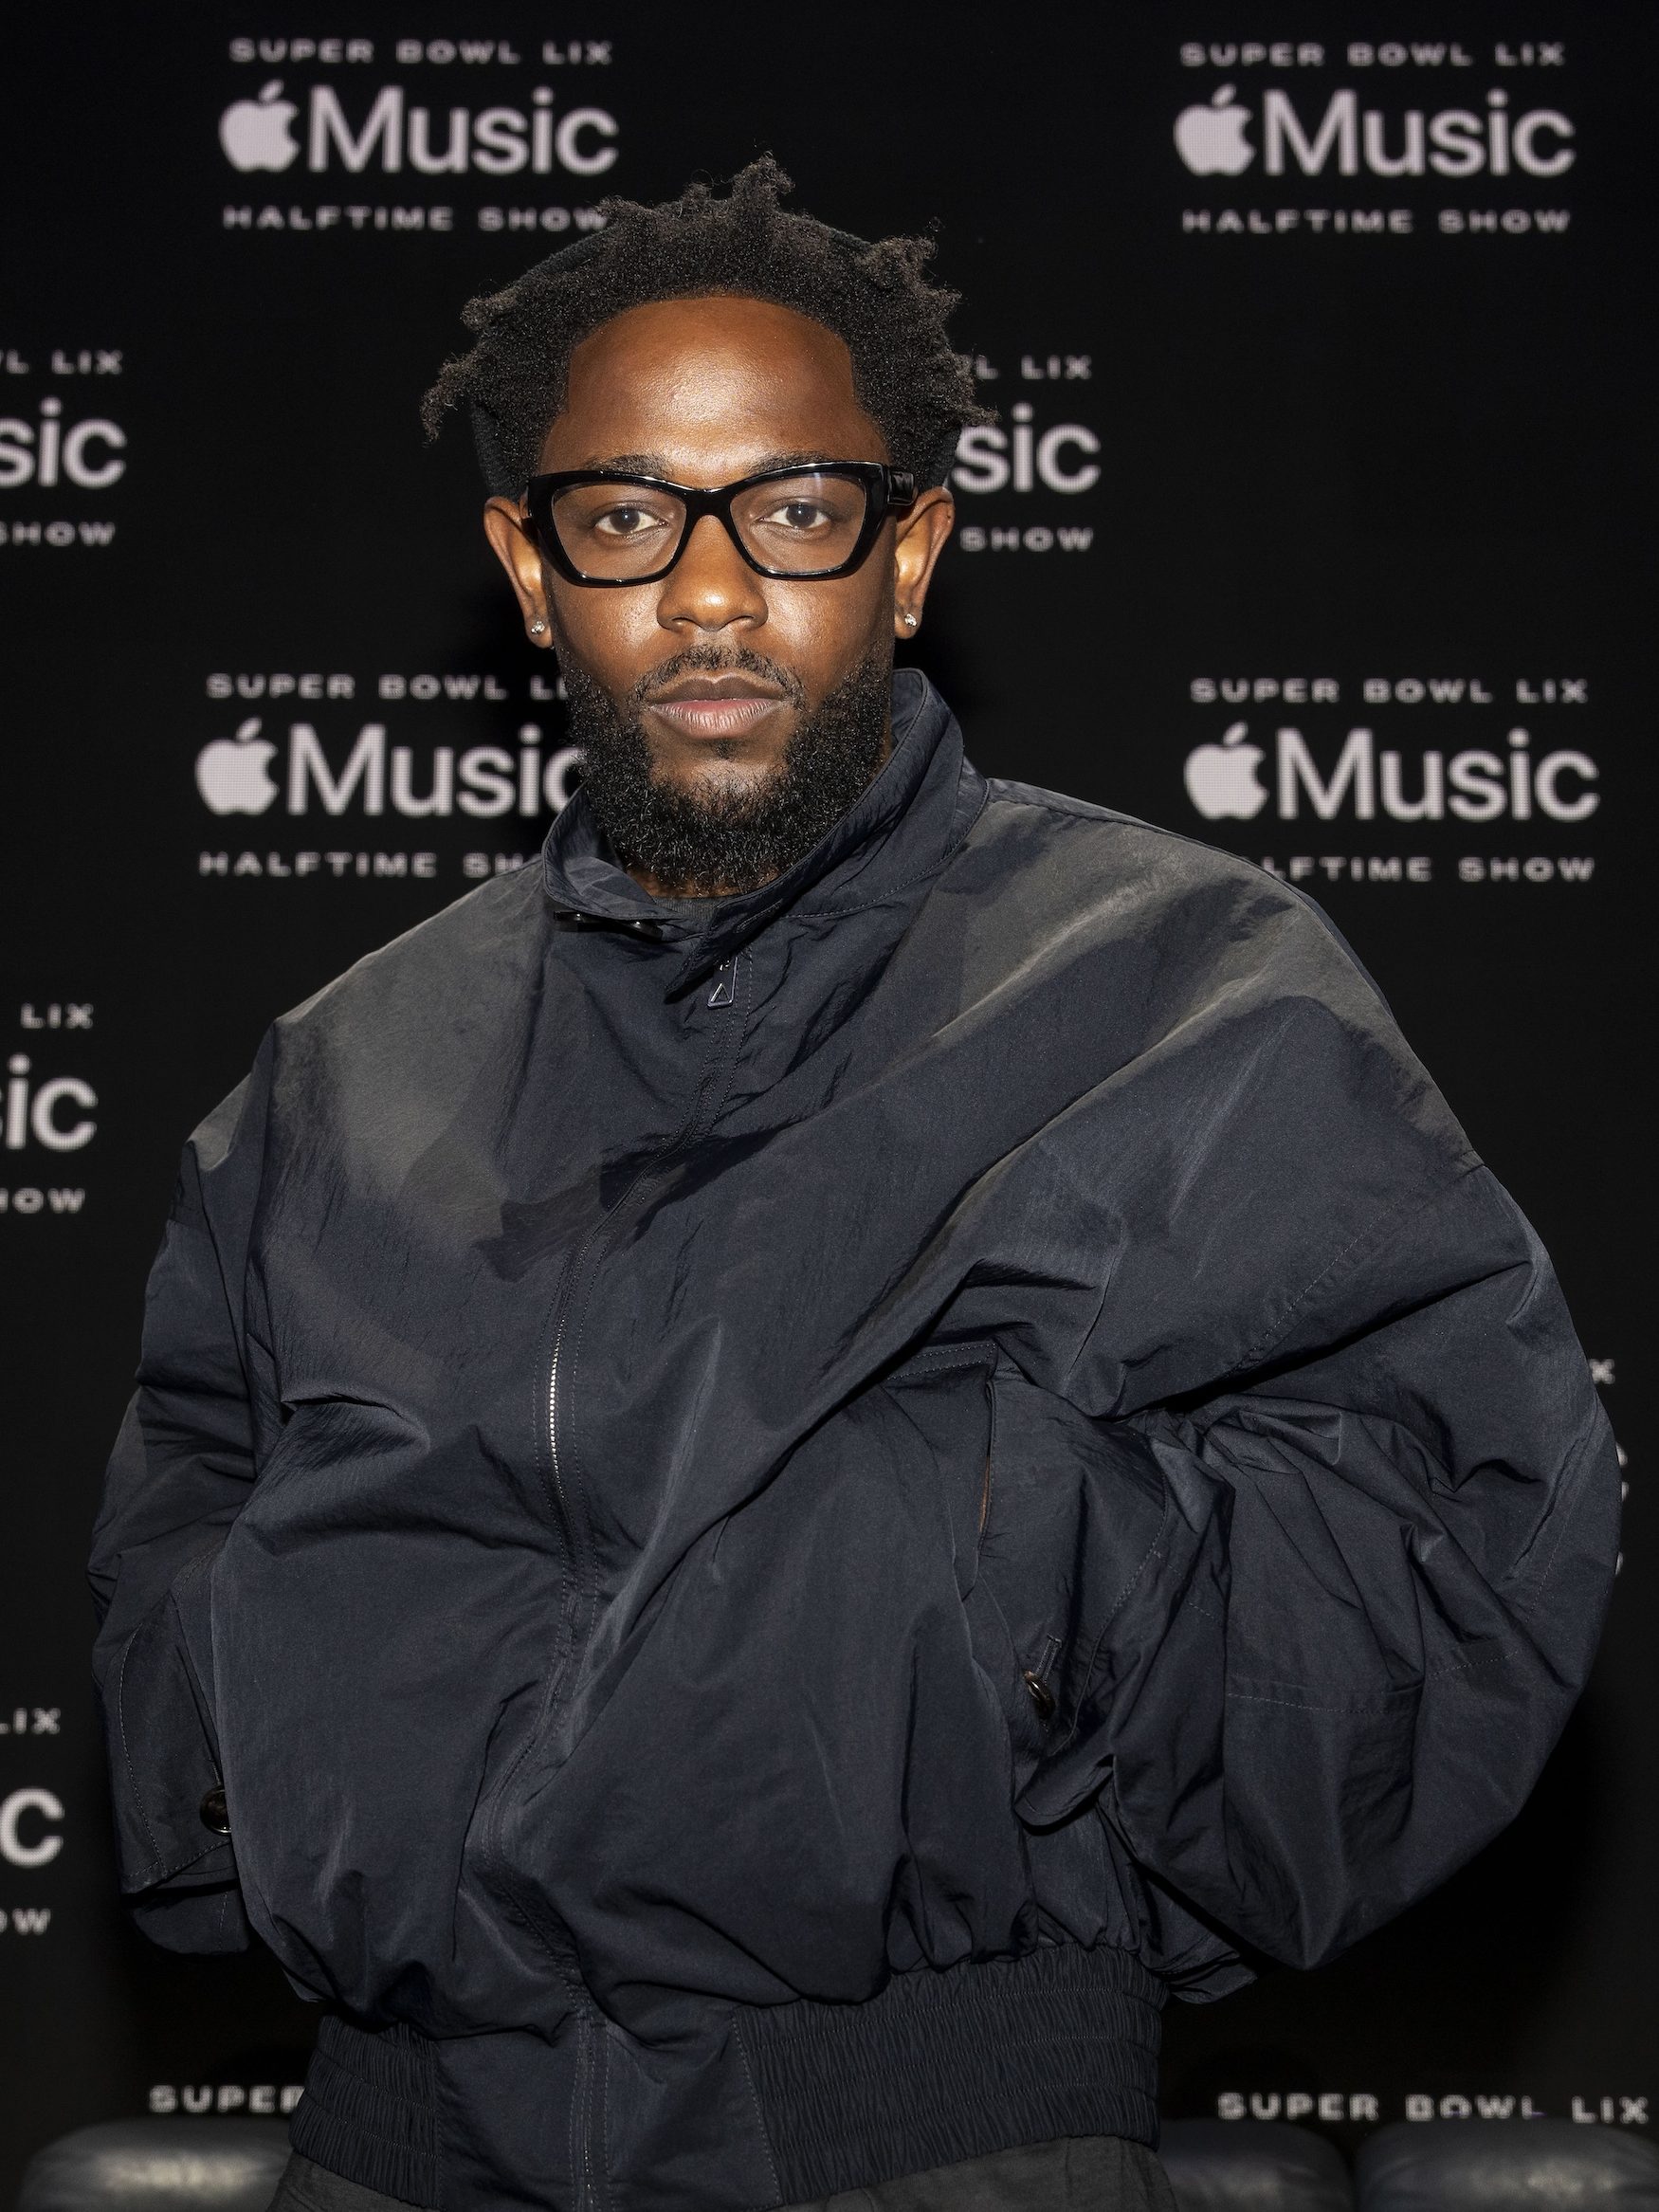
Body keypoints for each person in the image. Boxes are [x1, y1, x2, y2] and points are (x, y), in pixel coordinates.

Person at [89, 161, 1619, 2212]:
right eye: (626, 515)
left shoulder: (1176, 989)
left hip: (942, 2142)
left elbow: (1458, 1541)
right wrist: (295, 1764)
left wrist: (989, 1586)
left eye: (790, 510)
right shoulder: (345, 1065)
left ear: (903, 558)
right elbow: (183, 1535)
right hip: (397, 2144)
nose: (709, 591)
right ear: (530, 571)